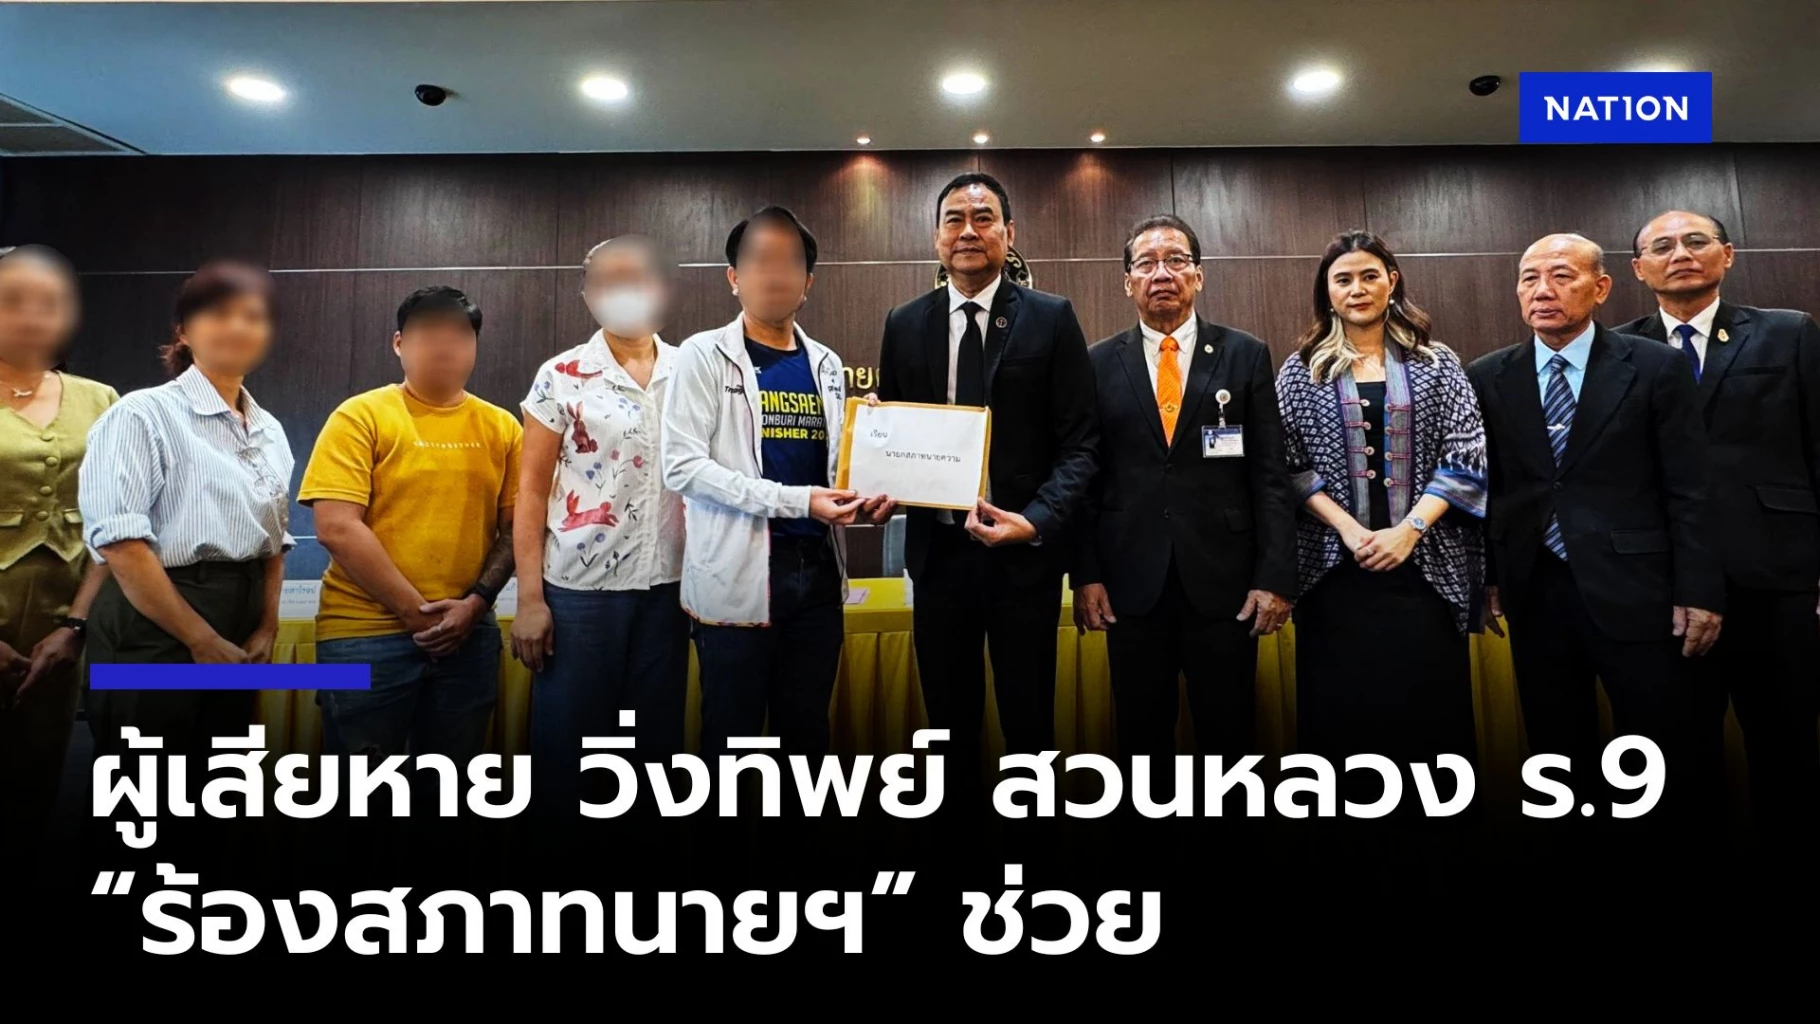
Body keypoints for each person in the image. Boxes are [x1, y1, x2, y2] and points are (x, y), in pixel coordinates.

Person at [1468, 233, 1724, 815]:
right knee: (1556, 754)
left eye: (1561, 276)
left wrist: (1701, 590)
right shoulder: (1489, 374)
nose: (1543, 291)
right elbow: (1489, 487)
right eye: (1529, 279)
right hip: (1536, 591)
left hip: (1640, 590)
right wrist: (1489, 576)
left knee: (1663, 752)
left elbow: (1691, 487)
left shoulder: (1655, 366)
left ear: (1601, 287)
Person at [873, 172, 1097, 773]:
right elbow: (893, 433)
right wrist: (873, 444)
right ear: (936, 237)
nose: (968, 231)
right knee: (947, 729)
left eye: (983, 218)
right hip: (940, 557)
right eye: (954, 219)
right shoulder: (904, 322)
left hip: (1024, 559)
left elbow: (1081, 443)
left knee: (1030, 725)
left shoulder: (1051, 317)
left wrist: (1037, 521)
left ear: (1008, 232)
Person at [1619, 210, 1820, 843]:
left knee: (1787, 743)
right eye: (1662, 246)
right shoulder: (1619, 350)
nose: (1680, 253)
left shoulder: (1788, 332)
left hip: (1777, 576)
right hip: (1668, 586)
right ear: (1638, 269)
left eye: (1695, 241)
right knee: (1679, 753)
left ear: (1727, 255)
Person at [1073, 215, 1296, 762]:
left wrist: (1274, 577)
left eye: (1175, 260)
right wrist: (1086, 574)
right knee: (1140, 738)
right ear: (1127, 282)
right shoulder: (1097, 363)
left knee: (1230, 735)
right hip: (1130, 586)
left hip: (1226, 585)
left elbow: (1270, 475)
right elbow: (1085, 477)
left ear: (1198, 275)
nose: (1161, 274)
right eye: (1146, 263)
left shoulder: (1245, 354)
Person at [662, 207, 871, 759]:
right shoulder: (703, 355)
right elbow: (682, 467)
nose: (775, 272)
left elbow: (833, 471)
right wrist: (797, 501)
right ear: (734, 277)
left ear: (808, 282)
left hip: (817, 577)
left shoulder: (826, 363)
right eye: (760, 260)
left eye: (790, 261)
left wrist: (868, 480)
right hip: (737, 579)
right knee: (729, 742)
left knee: (807, 740)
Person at [1276, 231, 1488, 774]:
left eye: (1369, 276)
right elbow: (1285, 466)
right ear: (1327, 292)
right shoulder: (1302, 370)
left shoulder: (1438, 364)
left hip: (1425, 573)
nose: (1358, 289)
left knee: (1431, 730)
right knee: (1340, 729)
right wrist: (1349, 529)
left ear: (1392, 282)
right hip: (1333, 576)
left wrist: (1409, 530)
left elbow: (1466, 456)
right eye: (1343, 279)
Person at [80, 260, 293, 759]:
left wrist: (267, 626)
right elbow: (122, 544)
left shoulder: (270, 430)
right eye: (218, 314)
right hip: (157, 615)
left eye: (253, 316)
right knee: (148, 780)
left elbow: (275, 540)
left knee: (224, 779)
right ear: (183, 330)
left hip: (241, 613)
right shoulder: (141, 414)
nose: (237, 326)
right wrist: (199, 638)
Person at [300, 286, 521, 762]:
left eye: (459, 335)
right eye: (429, 333)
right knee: (359, 788)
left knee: (453, 786)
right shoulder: (359, 416)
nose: (445, 346)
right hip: (362, 635)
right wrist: (415, 612)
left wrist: (475, 604)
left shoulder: (503, 427)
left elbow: (516, 529)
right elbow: (336, 527)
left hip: (469, 637)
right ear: (399, 343)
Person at [516, 236, 687, 809]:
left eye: (636, 277)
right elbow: (531, 492)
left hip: (669, 591)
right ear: (588, 294)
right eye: (608, 280)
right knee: (572, 756)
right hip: (580, 595)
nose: (624, 291)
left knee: (653, 758)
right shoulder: (560, 375)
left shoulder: (690, 369)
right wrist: (530, 600)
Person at [0, 245, 116, 861]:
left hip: (58, 626)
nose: (31, 316)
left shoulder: (102, 400)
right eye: (13, 301)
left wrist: (75, 626)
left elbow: (117, 526)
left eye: (48, 303)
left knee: (34, 787)